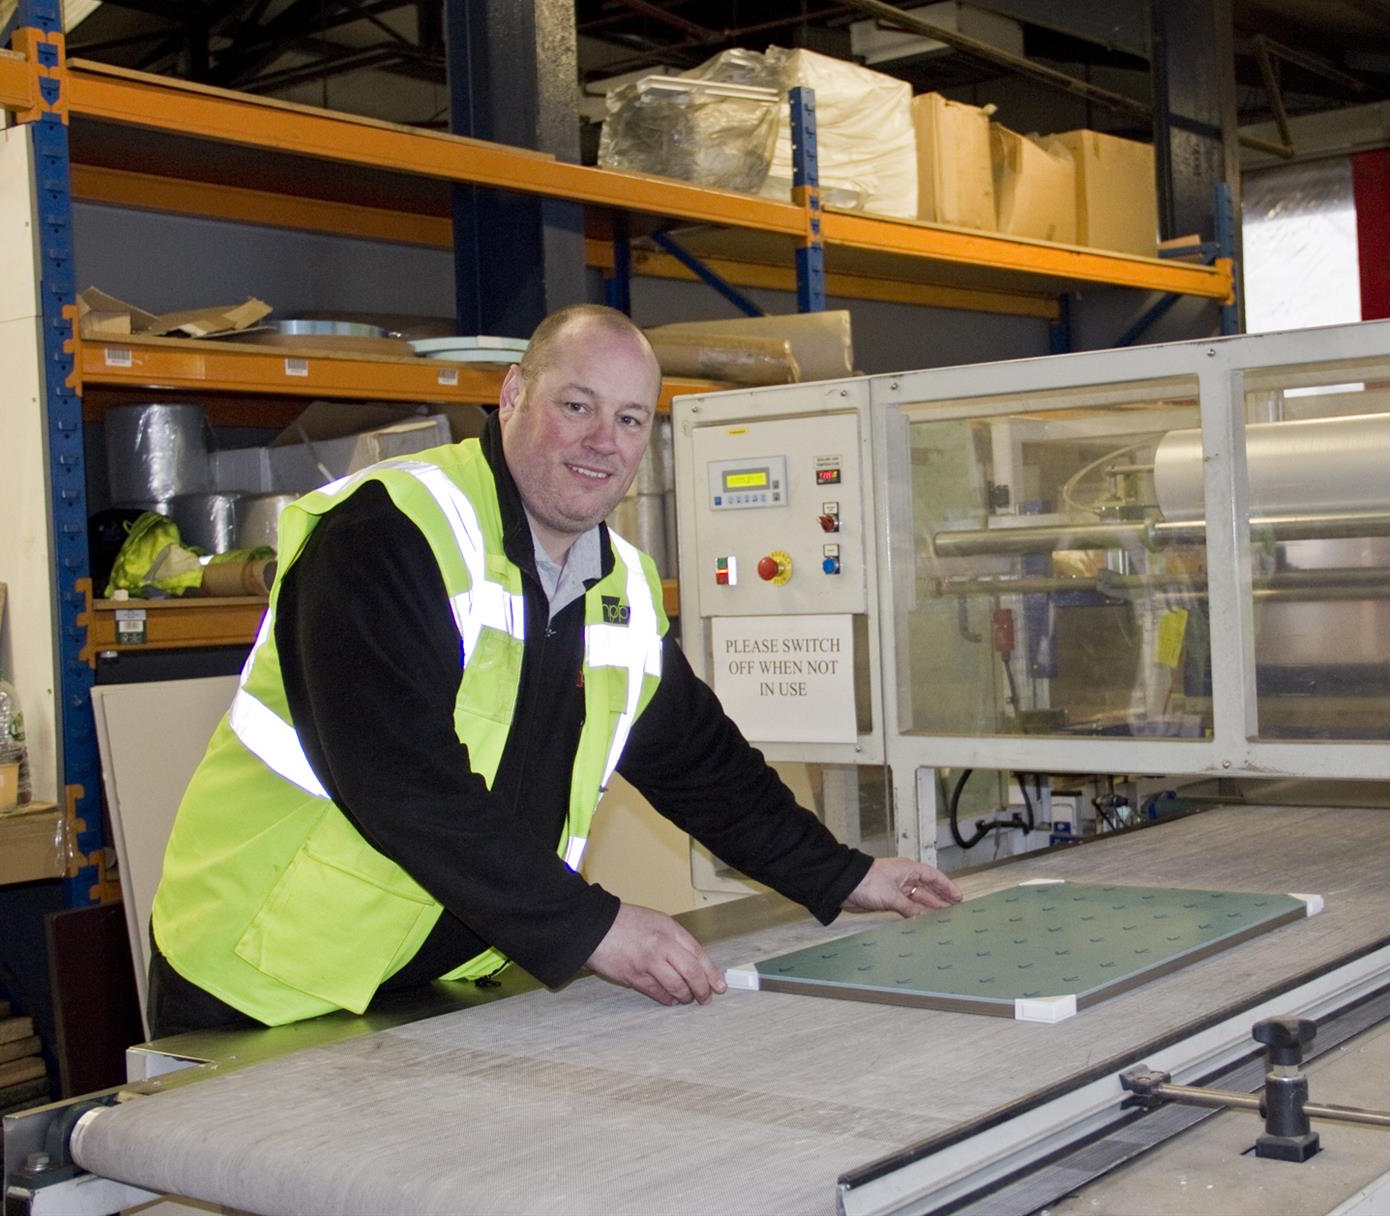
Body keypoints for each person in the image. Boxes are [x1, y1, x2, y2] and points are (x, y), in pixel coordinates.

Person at [147, 304, 959, 1035]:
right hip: (263, 977)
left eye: (630, 419)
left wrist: (842, 874)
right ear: (512, 396)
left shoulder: (619, 586)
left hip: (429, 984)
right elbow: (400, 780)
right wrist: (591, 926)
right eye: (577, 406)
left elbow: (700, 764)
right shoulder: (390, 533)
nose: (604, 440)